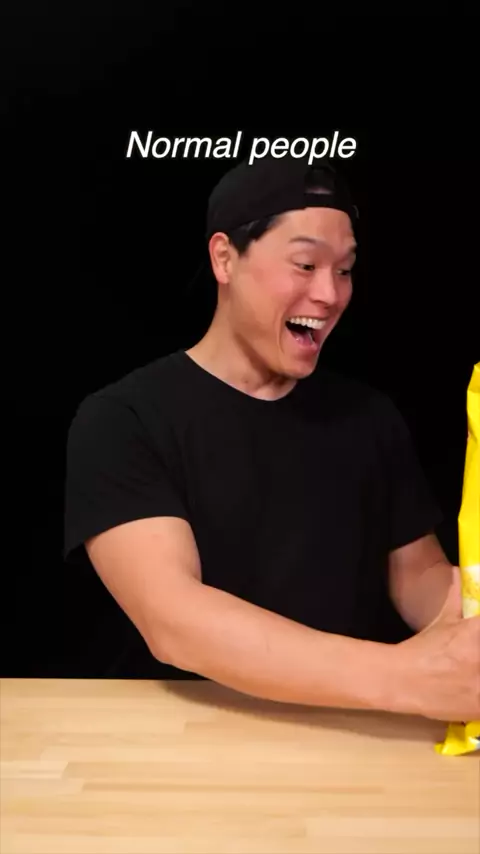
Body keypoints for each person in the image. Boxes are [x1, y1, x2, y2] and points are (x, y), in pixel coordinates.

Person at [64, 155, 479, 722]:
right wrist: (406, 678)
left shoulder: (368, 416)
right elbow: (174, 619)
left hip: (338, 731)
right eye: (305, 264)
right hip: (174, 738)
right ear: (224, 258)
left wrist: (464, 615)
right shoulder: (123, 419)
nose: (330, 294)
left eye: (345, 270)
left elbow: (419, 578)